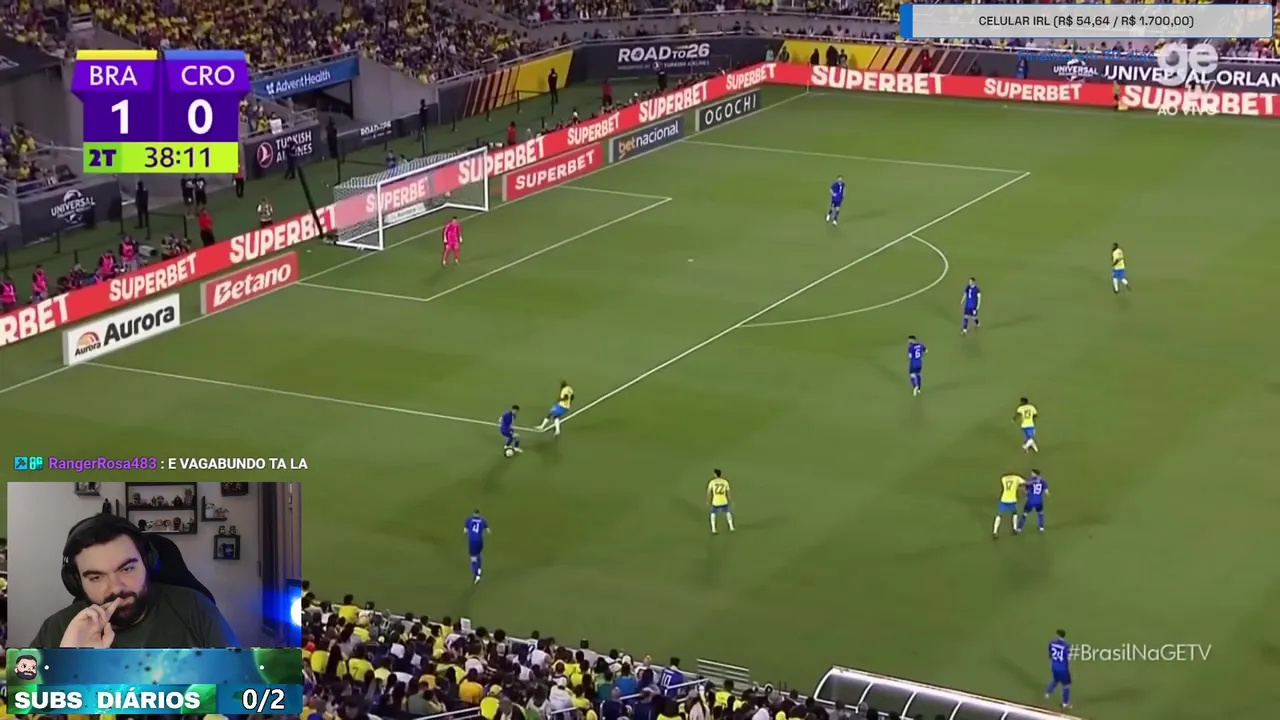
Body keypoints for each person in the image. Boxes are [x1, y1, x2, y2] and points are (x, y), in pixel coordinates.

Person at [31, 514, 239, 648]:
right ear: (76, 582)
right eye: (96, 577)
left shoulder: (196, 609)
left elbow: (241, 688)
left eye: (127, 568)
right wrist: (69, 664)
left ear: (147, 563)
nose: (116, 588)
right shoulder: (56, 629)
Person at [993, 473, 1023, 538]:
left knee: (999, 514)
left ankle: (995, 532)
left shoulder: (1003, 478)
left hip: (1004, 499)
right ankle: (1014, 529)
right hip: (1013, 499)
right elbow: (1026, 483)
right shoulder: (1016, 478)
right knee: (1014, 513)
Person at [706, 470, 733, 535]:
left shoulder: (712, 482)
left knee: (713, 514)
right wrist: (730, 500)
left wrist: (708, 500)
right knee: (728, 512)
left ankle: (713, 529)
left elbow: (709, 492)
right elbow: (728, 492)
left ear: (715, 474)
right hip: (724, 501)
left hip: (715, 501)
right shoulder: (725, 482)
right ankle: (731, 527)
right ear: (720, 474)